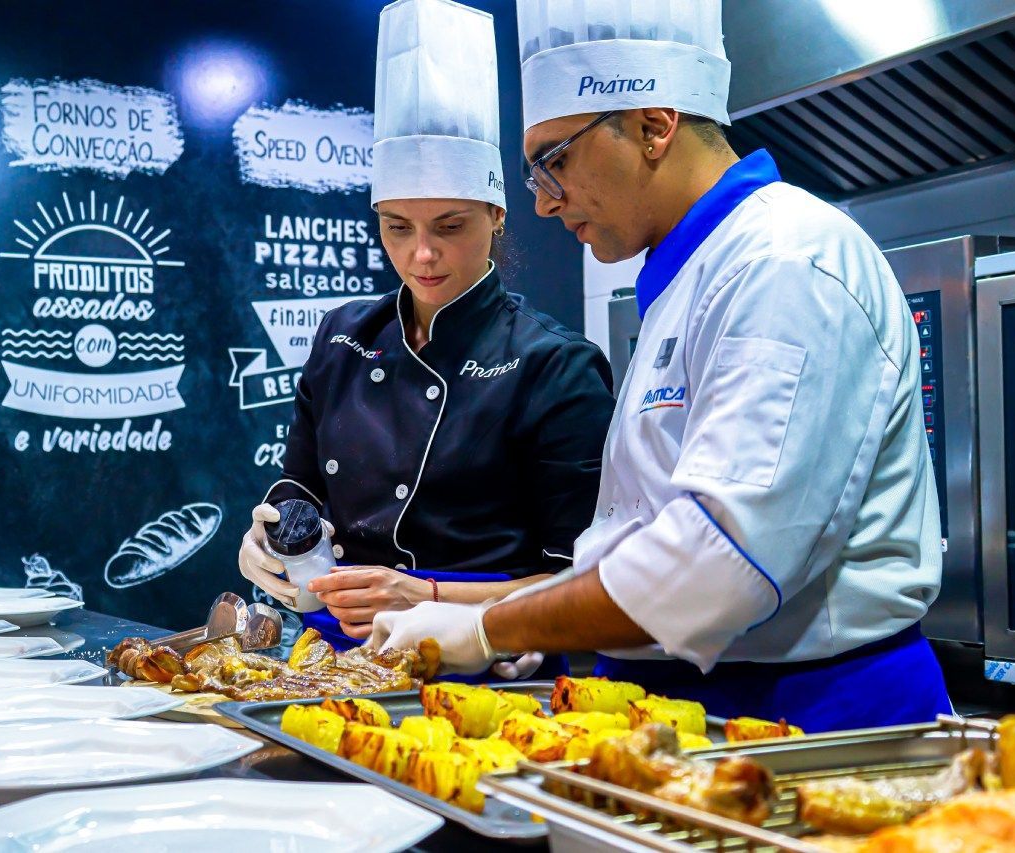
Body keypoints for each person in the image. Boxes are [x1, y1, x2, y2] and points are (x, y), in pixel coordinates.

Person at [370, 0, 952, 731]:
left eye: (555, 161)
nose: (546, 205)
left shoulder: (784, 261)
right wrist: (495, 613)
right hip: (689, 706)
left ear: (653, 124)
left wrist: (494, 627)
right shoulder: (688, 277)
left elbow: (717, 564)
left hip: (808, 715)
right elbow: (638, 547)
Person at [239, 0, 614, 673]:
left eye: (448, 227)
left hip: (490, 681)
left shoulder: (555, 365)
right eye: (397, 227)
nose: (421, 257)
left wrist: (426, 593)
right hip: (337, 664)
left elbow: (583, 587)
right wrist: (273, 535)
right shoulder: (343, 336)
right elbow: (299, 485)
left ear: (497, 214)